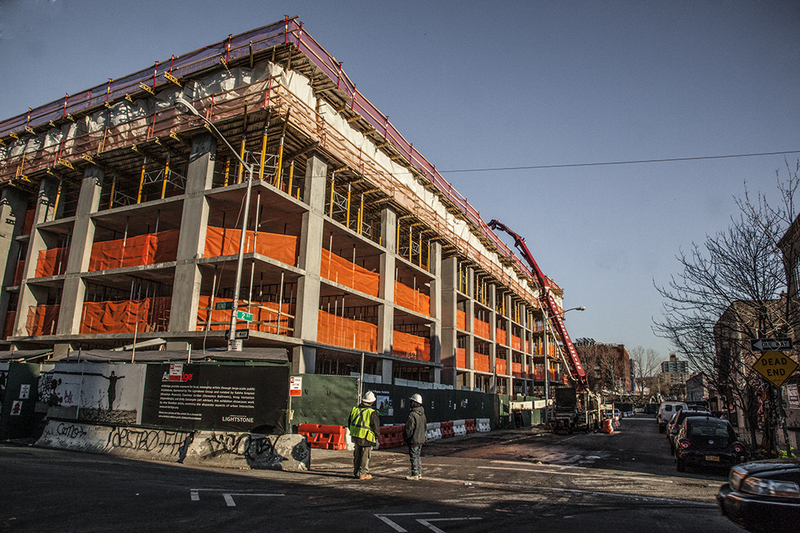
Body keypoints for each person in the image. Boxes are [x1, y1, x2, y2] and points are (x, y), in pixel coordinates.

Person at [348, 390, 380, 480]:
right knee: (365, 456)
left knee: (357, 454)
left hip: (356, 436)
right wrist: (376, 436)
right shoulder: (372, 412)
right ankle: (363, 473)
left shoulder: (355, 409)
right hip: (366, 437)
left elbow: (349, 422)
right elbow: (376, 427)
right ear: (372, 402)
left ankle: (356, 471)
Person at [403, 393, 427, 480]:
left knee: (413, 457)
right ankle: (419, 472)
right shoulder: (422, 414)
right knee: (417, 456)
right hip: (420, 439)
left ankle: (415, 473)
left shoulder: (412, 415)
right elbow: (425, 427)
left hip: (414, 439)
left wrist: (406, 437)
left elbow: (409, 429)